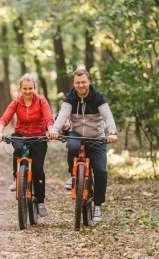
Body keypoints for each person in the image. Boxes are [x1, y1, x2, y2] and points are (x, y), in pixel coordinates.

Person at [49, 68, 117, 222]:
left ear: (88, 82)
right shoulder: (70, 98)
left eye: (83, 82)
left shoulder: (98, 98)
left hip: (96, 137)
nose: (80, 85)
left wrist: (112, 132)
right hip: (77, 134)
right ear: (74, 83)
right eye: (77, 83)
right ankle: (73, 177)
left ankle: (98, 205)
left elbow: (108, 117)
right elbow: (63, 115)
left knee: (100, 171)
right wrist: (54, 129)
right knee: (72, 147)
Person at [0, 73, 54, 217]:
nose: (27, 91)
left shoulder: (41, 101)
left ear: (35, 88)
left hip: (38, 136)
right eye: (24, 89)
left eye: (30, 88)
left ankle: (40, 202)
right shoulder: (16, 102)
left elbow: (48, 118)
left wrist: (51, 130)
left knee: (38, 170)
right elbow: (5, 118)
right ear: (20, 89)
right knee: (18, 149)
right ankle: (17, 178)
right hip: (20, 134)